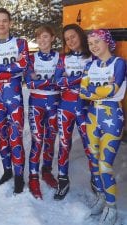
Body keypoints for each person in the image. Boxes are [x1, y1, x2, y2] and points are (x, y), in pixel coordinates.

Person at [80, 29, 126, 225]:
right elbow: (83, 92)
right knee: (93, 160)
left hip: (112, 115)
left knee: (105, 164)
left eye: (97, 41)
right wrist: (101, 90)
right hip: (92, 117)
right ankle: (100, 197)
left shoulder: (119, 63)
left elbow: (114, 89)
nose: (94, 46)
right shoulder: (90, 65)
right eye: (90, 44)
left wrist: (94, 90)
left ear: (107, 41)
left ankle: (111, 205)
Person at [0, 8, 29, 194]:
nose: (1, 24)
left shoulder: (20, 43)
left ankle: (19, 177)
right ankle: (7, 171)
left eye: (4, 20)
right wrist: (9, 68)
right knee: (2, 136)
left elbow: (23, 65)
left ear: (10, 23)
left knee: (15, 136)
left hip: (14, 95)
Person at [54, 23, 93, 200]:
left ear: (80, 36)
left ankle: (97, 180)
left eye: (73, 37)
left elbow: (92, 81)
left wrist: (69, 79)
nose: (70, 41)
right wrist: (81, 78)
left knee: (90, 145)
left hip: (86, 108)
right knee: (64, 145)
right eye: (67, 39)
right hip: (65, 107)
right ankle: (63, 180)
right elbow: (57, 81)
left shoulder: (92, 56)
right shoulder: (63, 59)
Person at [24, 25, 60, 199]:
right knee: (37, 139)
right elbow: (29, 83)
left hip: (54, 102)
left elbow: (61, 82)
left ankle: (46, 170)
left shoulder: (60, 58)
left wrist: (40, 80)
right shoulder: (31, 59)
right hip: (36, 103)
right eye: (39, 38)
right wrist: (51, 80)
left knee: (51, 139)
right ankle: (33, 177)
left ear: (53, 38)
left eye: (46, 37)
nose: (42, 40)